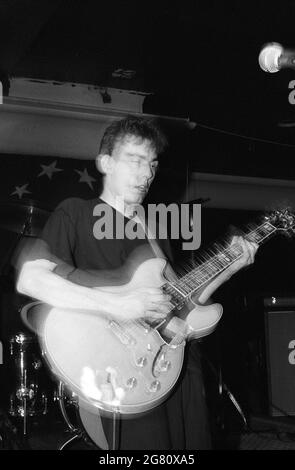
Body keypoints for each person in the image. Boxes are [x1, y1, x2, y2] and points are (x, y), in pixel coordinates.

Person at [16, 115, 258, 450]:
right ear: (106, 163)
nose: (146, 174)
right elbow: (32, 279)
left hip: (174, 367)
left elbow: (181, 302)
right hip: (121, 370)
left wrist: (229, 267)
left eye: (153, 165)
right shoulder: (76, 213)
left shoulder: (154, 229)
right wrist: (119, 305)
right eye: (135, 160)